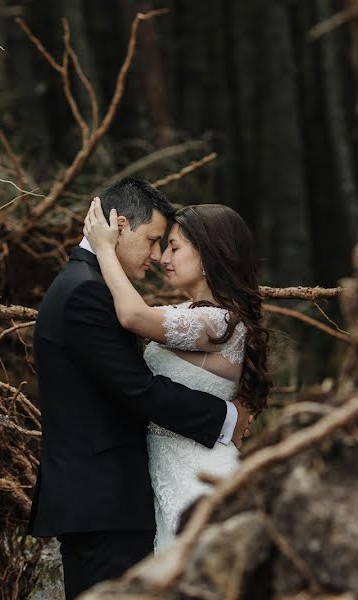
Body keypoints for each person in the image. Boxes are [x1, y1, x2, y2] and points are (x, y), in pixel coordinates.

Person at [27, 178, 251, 600]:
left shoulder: (90, 284)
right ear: (120, 226)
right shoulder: (86, 292)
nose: (156, 255)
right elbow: (138, 389)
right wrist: (227, 417)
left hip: (135, 490)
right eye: (152, 241)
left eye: (168, 246)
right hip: (103, 501)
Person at [83, 196, 270, 550]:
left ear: (208, 256)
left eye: (173, 247)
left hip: (197, 476)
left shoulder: (219, 321)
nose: (163, 259)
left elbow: (133, 316)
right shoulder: (188, 312)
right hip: (165, 472)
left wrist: (104, 249)